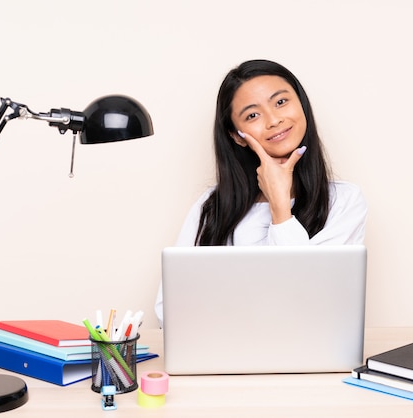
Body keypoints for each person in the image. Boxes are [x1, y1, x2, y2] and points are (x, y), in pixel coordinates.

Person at [155, 59, 367, 325]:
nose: (274, 120)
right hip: (223, 357)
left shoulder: (345, 202)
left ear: (301, 104)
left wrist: (280, 208)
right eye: (252, 115)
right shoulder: (212, 206)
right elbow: (169, 311)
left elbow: (307, 305)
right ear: (236, 135)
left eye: (281, 102)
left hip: (307, 357)